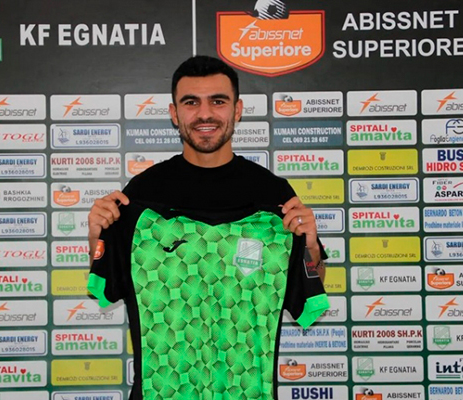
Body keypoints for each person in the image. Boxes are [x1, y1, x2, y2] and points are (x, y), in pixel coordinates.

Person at [87, 55, 329, 400]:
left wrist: (311, 247)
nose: (205, 114)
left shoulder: (273, 197)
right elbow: (110, 285)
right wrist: (97, 237)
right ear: (174, 113)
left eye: (218, 101)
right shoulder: (140, 196)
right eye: (191, 102)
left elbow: (307, 293)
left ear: (237, 109)